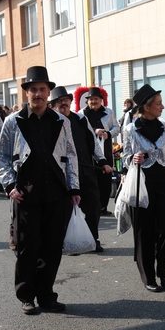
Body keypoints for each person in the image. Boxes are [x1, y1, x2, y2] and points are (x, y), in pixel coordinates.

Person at [0, 65, 81, 315]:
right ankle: (26, 296)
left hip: (56, 192)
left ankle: (46, 295)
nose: (38, 94)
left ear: (49, 93)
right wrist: (10, 185)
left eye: (42, 89)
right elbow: (1, 157)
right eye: (33, 89)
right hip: (26, 193)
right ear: (26, 93)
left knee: (52, 247)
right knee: (27, 247)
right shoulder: (14, 122)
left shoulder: (61, 121)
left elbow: (71, 155)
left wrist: (74, 186)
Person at [122, 84, 165, 293]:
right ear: (147, 107)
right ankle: (149, 276)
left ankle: (163, 270)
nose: (162, 107)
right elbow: (124, 157)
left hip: (164, 181)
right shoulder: (131, 129)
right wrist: (133, 158)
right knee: (145, 232)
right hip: (142, 183)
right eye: (158, 104)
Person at [50, 86, 112, 253]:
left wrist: (104, 161)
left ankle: (92, 239)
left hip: (86, 171)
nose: (63, 103)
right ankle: (70, 241)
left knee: (94, 207)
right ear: (53, 105)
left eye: (66, 100)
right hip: (63, 174)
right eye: (59, 101)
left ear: (71, 101)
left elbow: (93, 142)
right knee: (67, 210)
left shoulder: (80, 119)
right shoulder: (51, 121)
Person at [81, 88, 120, 216]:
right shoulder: (81, 114)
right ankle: (92, 207)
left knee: (105, 181)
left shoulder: (109, 112)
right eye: (91, 99)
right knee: (92, 181)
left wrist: (108, 133)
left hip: (106, 151)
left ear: (101, 100)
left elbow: (117, 128)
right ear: (87, 101)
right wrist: (95, 130)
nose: (93, 101)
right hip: (89, 153)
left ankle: (103, 207)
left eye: (96, 99)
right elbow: (79, 130)